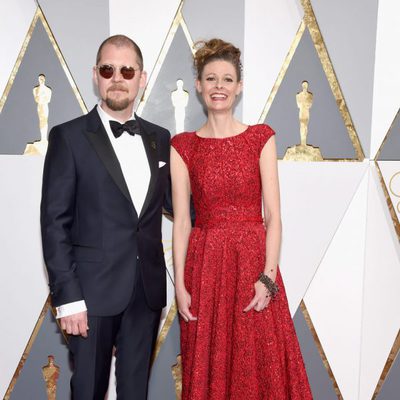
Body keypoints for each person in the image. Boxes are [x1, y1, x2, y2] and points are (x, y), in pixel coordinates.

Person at [170, 38, 313, 399]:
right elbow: (183, 223)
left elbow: (274, 218)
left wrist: (268, 277)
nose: (219, 86)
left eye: (228, 79)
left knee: (260, 365)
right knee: (211, 367)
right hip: (205, 271)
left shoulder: (260, 138)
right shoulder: (183, 147)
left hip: (253, 268)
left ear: (240, 86)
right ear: (199, 85)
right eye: (211, 78)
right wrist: (180, 286)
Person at [41, 34, 171, 399]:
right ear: (95, 75)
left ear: (141, 78)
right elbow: (54, 224)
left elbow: (179, 204)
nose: (118, 77)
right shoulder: (69, 137)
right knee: (88, 391)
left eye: (127, 70)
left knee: (135, 393)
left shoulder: (161, 139)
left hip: (145, 295)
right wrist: (68, 299)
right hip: (90, 296)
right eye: (108, 69)